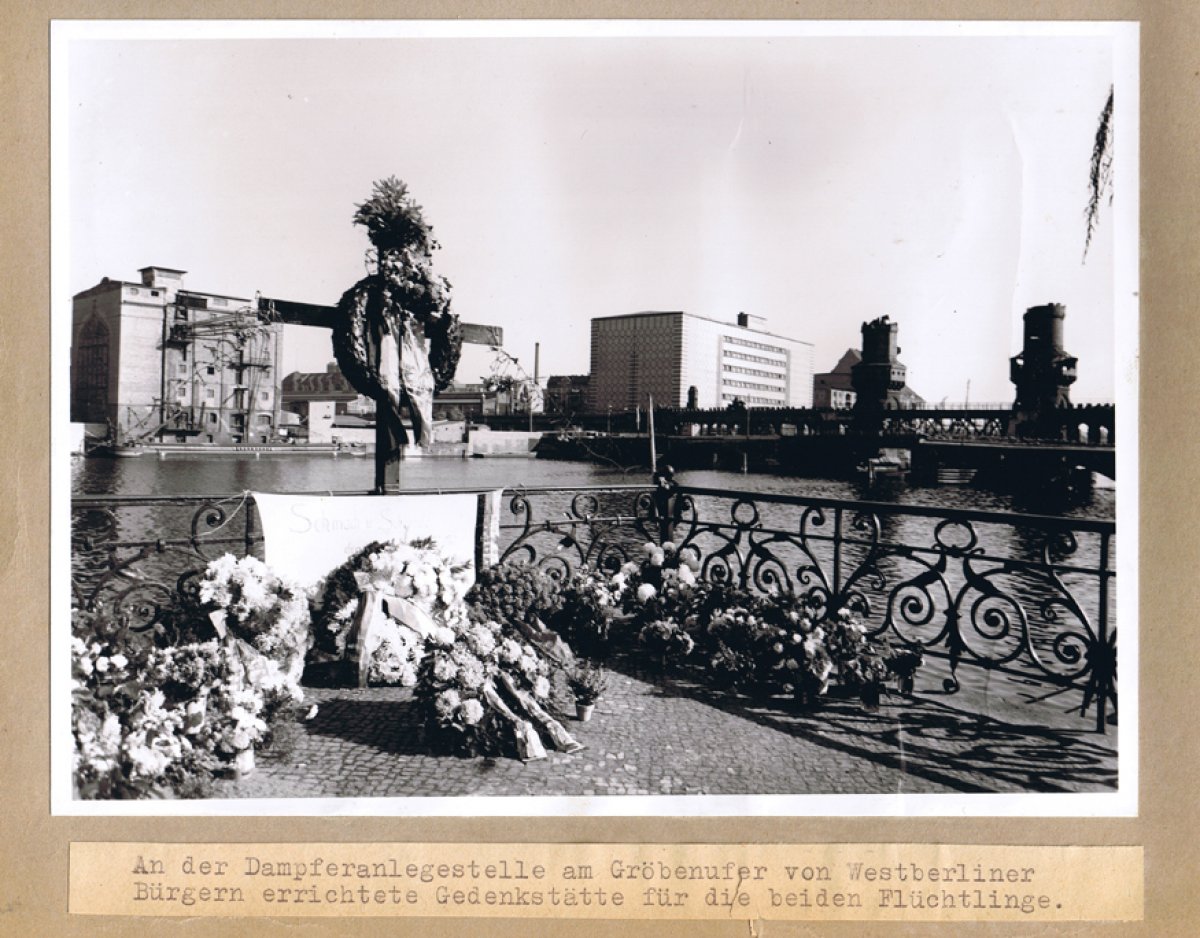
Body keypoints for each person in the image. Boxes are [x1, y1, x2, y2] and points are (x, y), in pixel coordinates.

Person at [651, 461, 679, 543]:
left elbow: (672, 487)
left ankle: (667, 547)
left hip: (668, 511)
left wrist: (666, 484)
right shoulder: (659, 481)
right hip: (662, 508)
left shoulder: (673, 483)